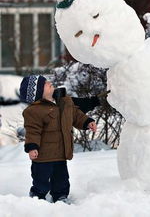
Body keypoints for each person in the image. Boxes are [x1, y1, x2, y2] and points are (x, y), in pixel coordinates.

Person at [19, 75, 97, 204]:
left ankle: (60, 196)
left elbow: (75, 115)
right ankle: (37, 195)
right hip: (43, 156)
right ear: (38, 93)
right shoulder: (34, 111)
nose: (49, 82)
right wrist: (32, 147)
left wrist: (87, 122)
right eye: (44, 83)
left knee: (61, 178)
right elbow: (33, 131)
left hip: (60, 153)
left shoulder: (63, 102)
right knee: (41, 179)